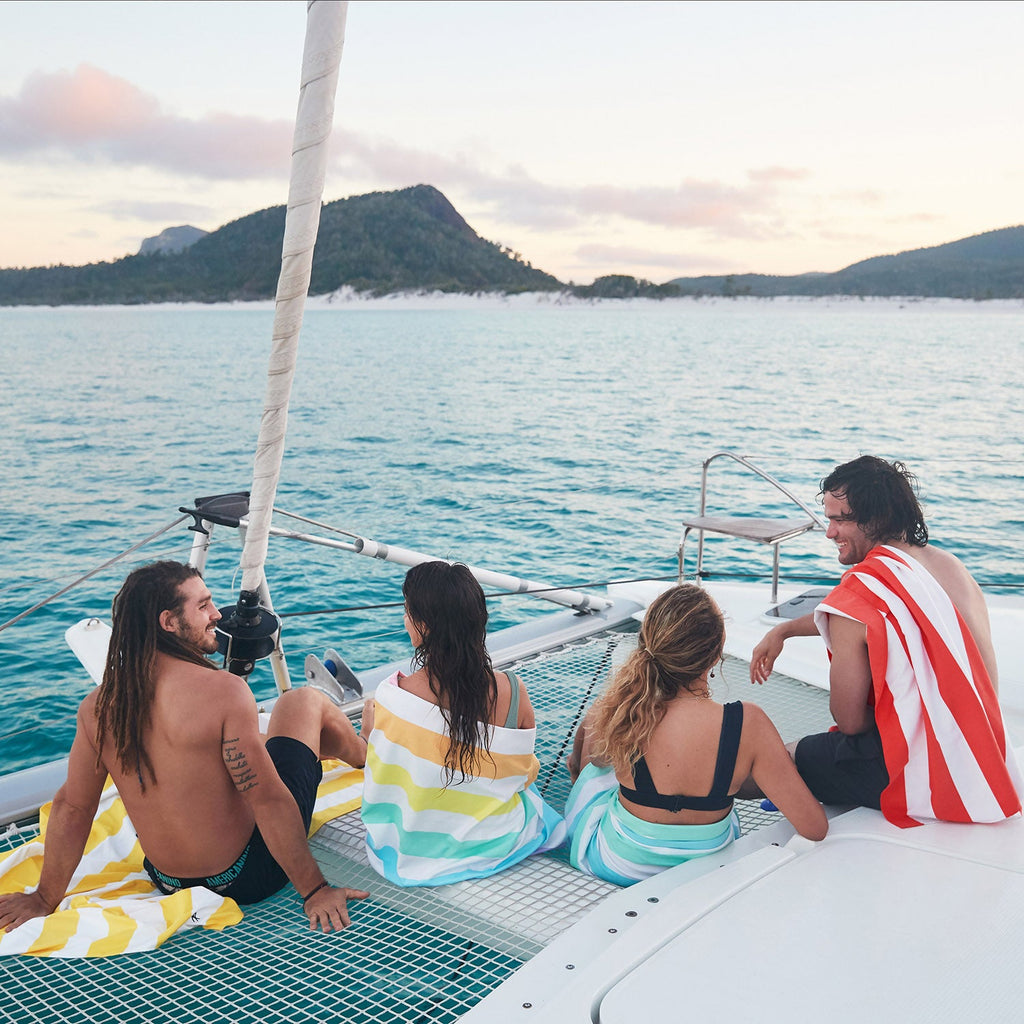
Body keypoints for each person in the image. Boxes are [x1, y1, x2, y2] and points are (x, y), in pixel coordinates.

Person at [0, 561, 369, 935]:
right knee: (301, 702)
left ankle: (338, 748)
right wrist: (316, 891)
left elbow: (74, 806)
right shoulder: (223, 691)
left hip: (167, 880)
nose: (216, 614)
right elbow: (268, 800)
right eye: (204, 605)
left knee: (255, 742)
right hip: (247, 877)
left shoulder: (100, 705)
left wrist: (43, 898)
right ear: (169, 623)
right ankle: (364, 753)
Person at [750, 456, 1021, 827]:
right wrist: (784, 630)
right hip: (981, 754)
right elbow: (885, 621)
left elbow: (849, 723)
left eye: (840, 519)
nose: (829, 532)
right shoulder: (948, 567)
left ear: (876, 519)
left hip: (921, 772)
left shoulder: (863, 590)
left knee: (766, 761)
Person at [564, 584, 827, 886]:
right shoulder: (748, 723)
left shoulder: (624, 709)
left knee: (596, 768)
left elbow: (596, 760)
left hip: (620, 863)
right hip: (708, 868)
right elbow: (814, 828)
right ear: (716, 653)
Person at [360, 561, 566, 886]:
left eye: (407, 612)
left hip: (405, 851)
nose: (404, 620)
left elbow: (382, 776)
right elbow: (523, 774)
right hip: (495, 843)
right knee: (540, 809)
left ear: (423, 626)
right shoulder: (512, 691)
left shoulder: (392, 694)